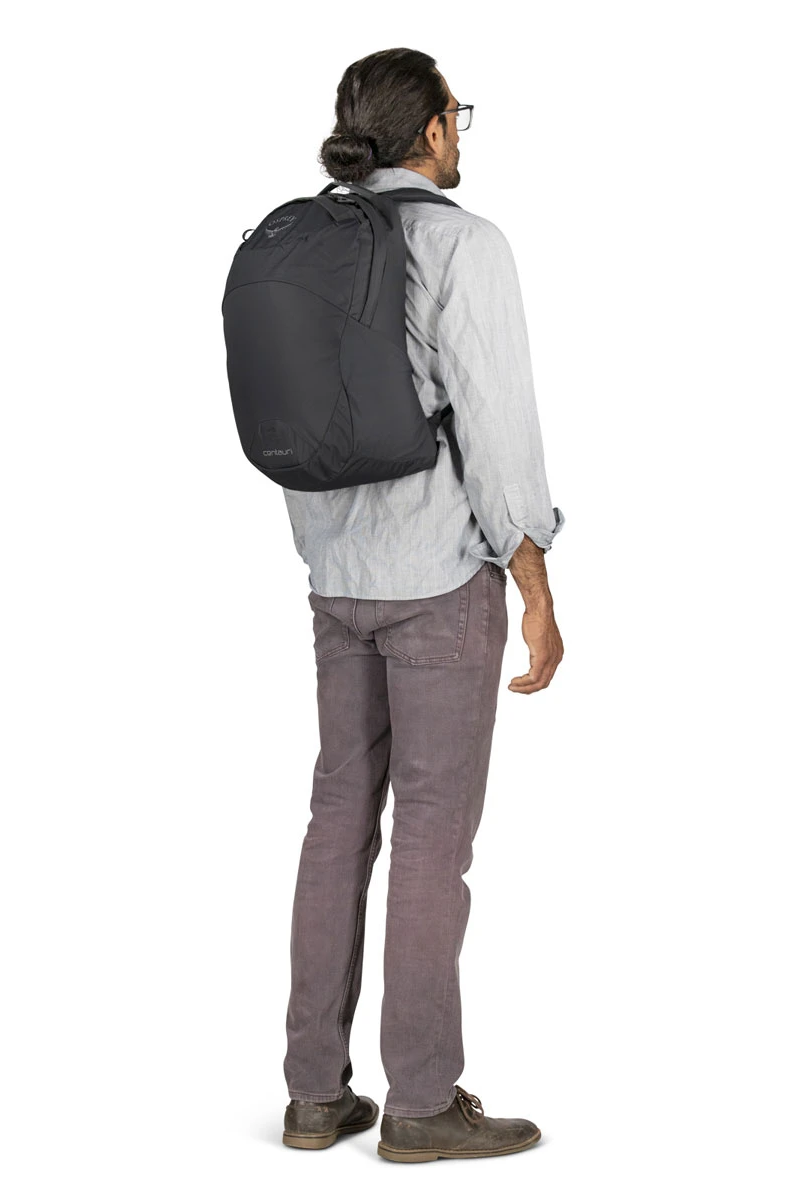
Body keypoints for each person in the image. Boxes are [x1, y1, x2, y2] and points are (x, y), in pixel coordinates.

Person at [280, 47, 565, 1164]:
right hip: (440, 583)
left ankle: (314, 1096)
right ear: (435, 129)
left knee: (336, 823)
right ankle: (420, 1104)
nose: (461, 132)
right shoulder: (461, 244)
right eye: (458, 114)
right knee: (434, 840)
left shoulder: (303, 240)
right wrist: (535, 585)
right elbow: (497, 430)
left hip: (336, 580)